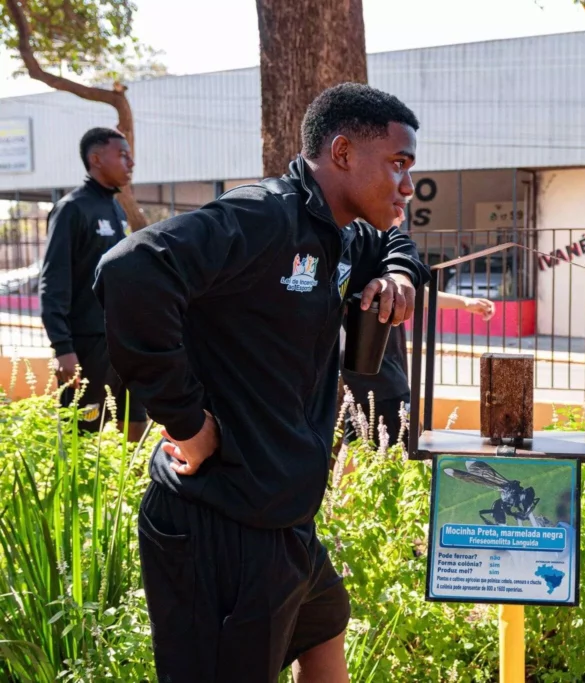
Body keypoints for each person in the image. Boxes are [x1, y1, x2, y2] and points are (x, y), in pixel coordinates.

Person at [93, 83, 430, 683]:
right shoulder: (264, 216)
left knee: (325, 624)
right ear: (345, 153)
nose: (408, 185)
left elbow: (393, 240)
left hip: (283, 517)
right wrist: (187, 422)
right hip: (219, 523)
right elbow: (130, 270)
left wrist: (400, 273)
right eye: (398, 165)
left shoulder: (348, 230)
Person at [339, 220, 495, 451]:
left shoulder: (383, 257)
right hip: (379, 380)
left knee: (372, 454)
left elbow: (418, 294)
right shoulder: (359, 252)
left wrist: (465, 302)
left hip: (377, 376)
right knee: (404, 452)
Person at [39, 127, 147, 441]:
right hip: (87, 344)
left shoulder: (115, 208)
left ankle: (131, 488)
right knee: (82, 435)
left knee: (136, 420)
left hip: (124, 340)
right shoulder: (72, 209)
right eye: (122, 155)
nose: (131, 162)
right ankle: (79, 490)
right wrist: (63, 348)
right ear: (96, 158)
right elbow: (53, 281)